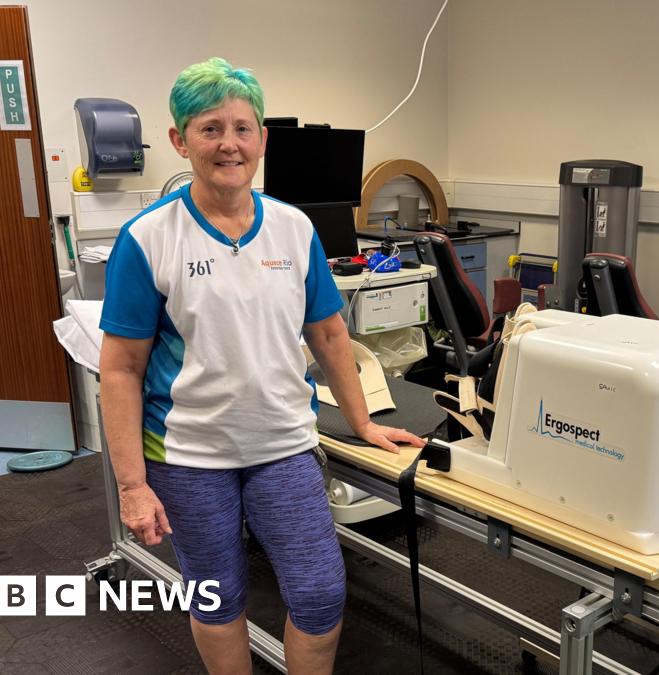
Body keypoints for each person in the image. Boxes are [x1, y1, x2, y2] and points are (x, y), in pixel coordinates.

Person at [98, 57, 424, 674]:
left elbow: (329, 333)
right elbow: (120, 369)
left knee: (320, 593)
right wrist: (133, 485)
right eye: (210, 128)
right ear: (180, 140)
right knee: (217, 597)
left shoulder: (293, 228)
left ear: (262, 139)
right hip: (190, 454)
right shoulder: (148, 239)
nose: (229, 144)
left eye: (243, 128)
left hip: (283, 446)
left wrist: (363, 423)